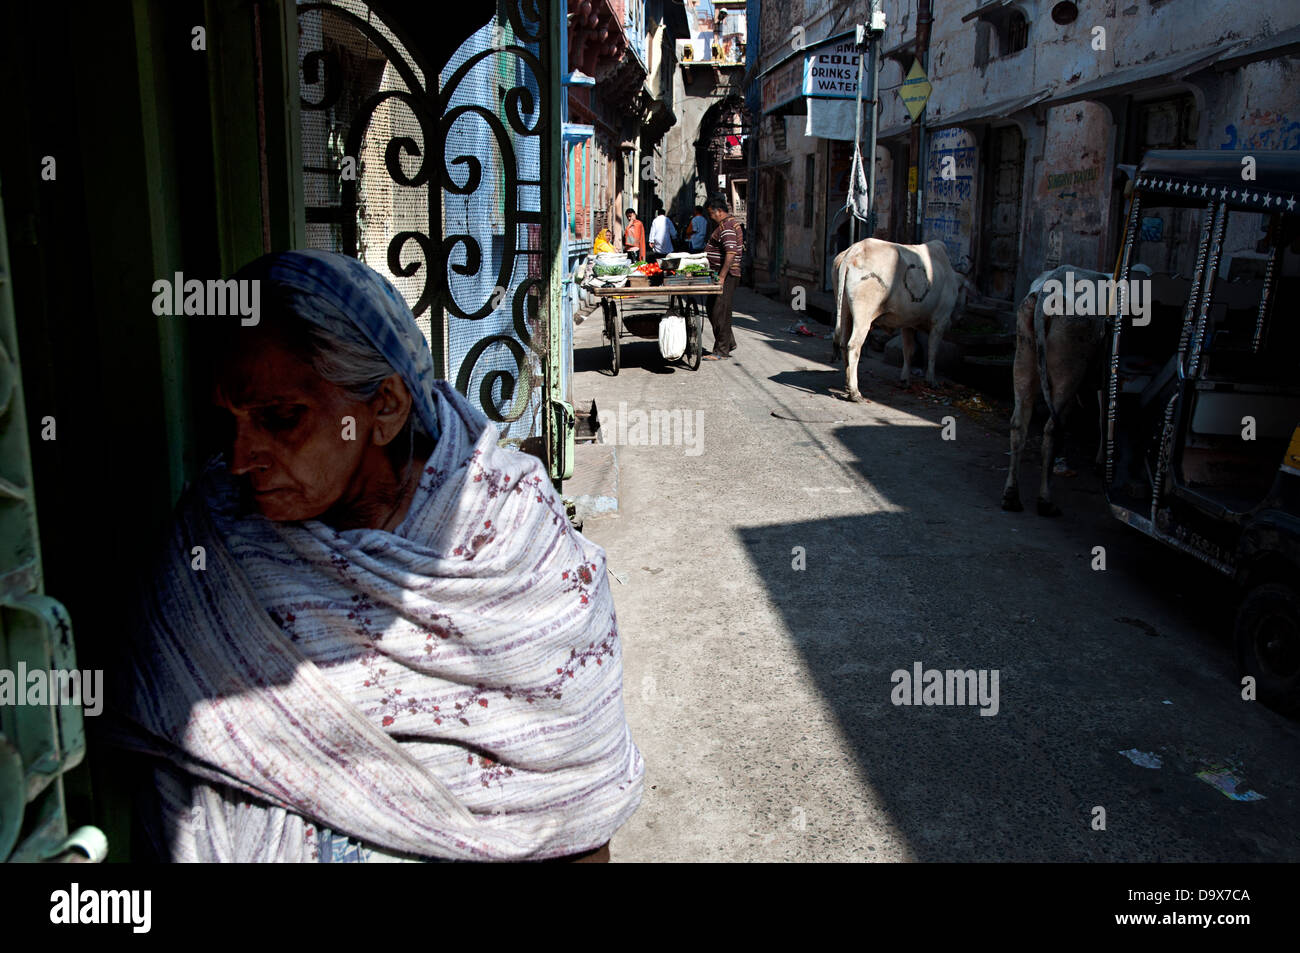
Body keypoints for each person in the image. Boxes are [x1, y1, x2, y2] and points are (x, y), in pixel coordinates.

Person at [116, 250, 644, 862]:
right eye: (227, 422)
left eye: (279, 418)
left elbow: (575, 809)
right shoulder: (215, 537)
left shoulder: (514, 540)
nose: (240, 458)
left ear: (386, 408)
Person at [702, 195, 742, 360]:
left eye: (711, 213)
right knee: (713, 308)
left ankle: (721, 350)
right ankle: (728, 341)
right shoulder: (728, 224)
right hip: (722, 274)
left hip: (727, 274)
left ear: (719, 212)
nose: (710, 217)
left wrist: (722, 276)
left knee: (720, 311)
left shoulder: (727, 226)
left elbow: (731, 252)